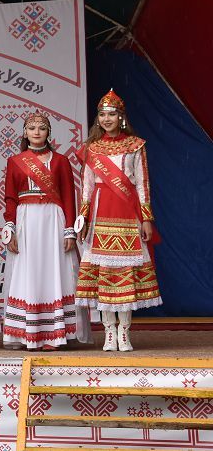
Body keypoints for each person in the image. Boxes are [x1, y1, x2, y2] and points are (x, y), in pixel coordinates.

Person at [75, 89, 160, 352]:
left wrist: (146, 219)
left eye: (111, 114)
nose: (106, 118)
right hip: (101, 211)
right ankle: (108, 333)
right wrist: (83, 216)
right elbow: (87, 185)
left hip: (127, 212)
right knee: (103, 275)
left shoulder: (135, 145)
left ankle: (124, 333)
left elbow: (143, 184)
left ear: (121, 117)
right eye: (102, 114)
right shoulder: (92, 148)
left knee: (126, 274)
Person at [1, 113, 91, 350]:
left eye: (42, 128)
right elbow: (10, 197)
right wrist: (10, 226)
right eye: (32, 128)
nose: (37, 131)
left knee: (54, 271)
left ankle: (54, 334)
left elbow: (69, 197)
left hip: (53, 220)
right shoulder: (15, 161)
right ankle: (26, 332)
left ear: (48, 132)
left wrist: (69, 230)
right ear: (25, 132)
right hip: (26, 220)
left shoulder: (61, 161)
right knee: (28, 271)